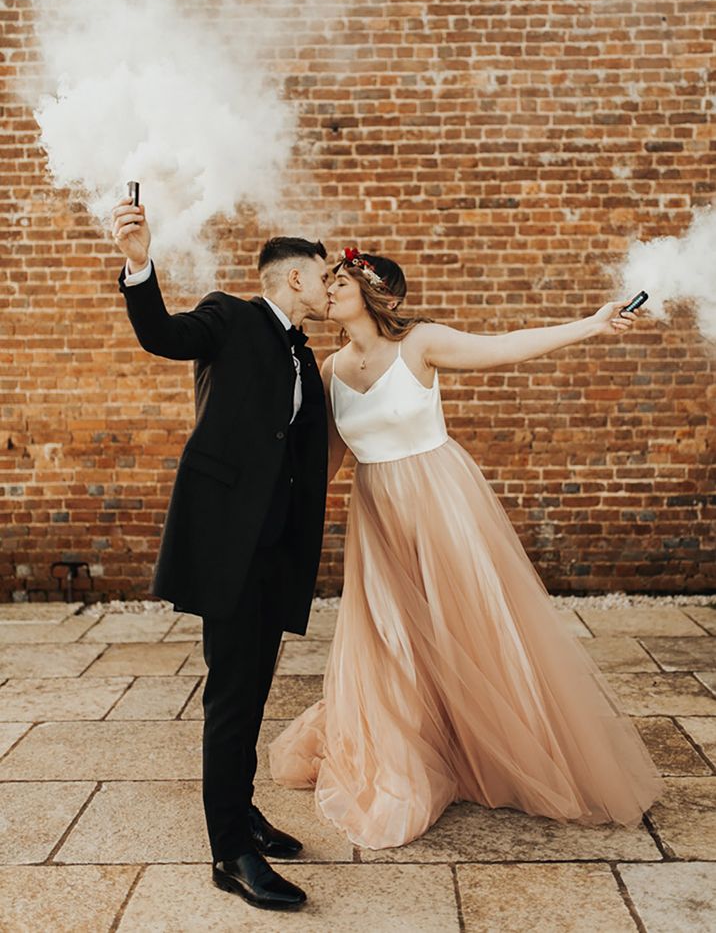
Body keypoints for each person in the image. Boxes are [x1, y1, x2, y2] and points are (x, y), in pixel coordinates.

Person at [269, 246, 665, 850]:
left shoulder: (420, 343)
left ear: (379, 295)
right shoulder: (328, 370)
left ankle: (491, 747)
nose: (329, 286)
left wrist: (592, 322)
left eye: (339, 278)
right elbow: (327, 464)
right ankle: (406, 753)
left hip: (440, 500)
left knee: (464, 626)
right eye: (330, 279)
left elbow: (505, 346)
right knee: (389, 636)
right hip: (376, 513)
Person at [112, 194, 330, 910]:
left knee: (253, 687)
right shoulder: (231, 317)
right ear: (294, 278)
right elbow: (162, 335)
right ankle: (229, 853)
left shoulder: (303, 353)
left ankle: (242, 811)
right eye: (325, 277)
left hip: (273, 551)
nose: (332, 288)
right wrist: (140, 262)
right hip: (229, 549)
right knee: (232, 699)